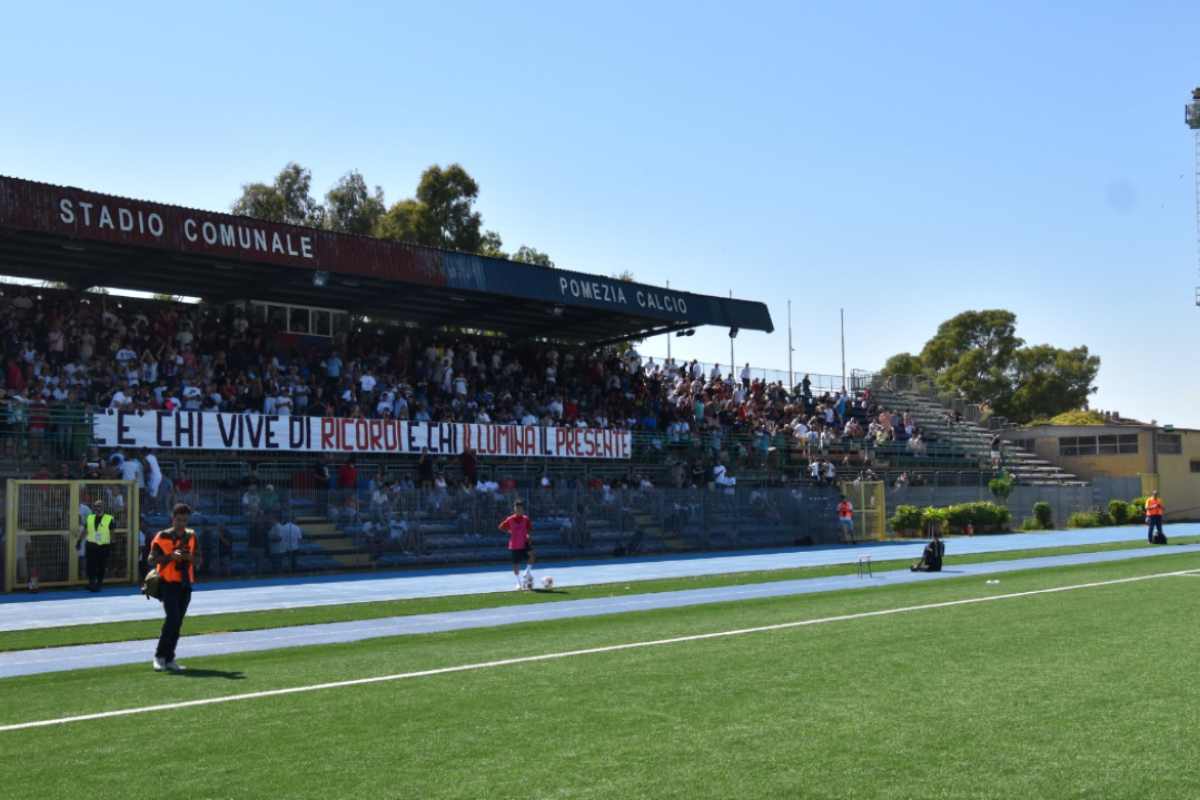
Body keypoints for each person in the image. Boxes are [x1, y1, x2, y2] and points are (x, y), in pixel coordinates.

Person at [149, 503, 198, 671]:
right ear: (173, 518)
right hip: (168, 583)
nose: (181, 524)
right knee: (173, 619)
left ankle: (169, 658)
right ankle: (159, 656)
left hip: (185, 584)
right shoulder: (162, 536)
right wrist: (171, 556)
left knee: (178, 622)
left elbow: (199, 561)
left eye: (185, 520)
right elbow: (151, 560)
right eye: (178, 520)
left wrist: (189, 557)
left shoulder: (191, 536)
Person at [78, 498, 115, 592]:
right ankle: (91, 583)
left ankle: (99, 583)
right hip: (91, 545)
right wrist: (79, 541)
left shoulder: (109, 518)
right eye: (96, 506)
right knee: (90, 565)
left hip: (103, 546)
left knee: (101, 566)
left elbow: (112, 532)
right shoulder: (90, 517)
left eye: (99, 506)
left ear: (103, 507)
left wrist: (112, 543)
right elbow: (85, 531)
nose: (97, 508)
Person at [498, 499, 535, 591]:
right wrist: (509, 531)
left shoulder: (526, 519)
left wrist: (528, 535)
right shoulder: (510, 519)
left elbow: (529, 529)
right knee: (515, 564)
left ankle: (527, 572)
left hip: (525, 542)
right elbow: (501, 527)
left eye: (520, 508)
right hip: (514, 544)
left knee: (532, 556)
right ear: (514, 509)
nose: (519, 510)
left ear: (523, 509)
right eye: (517, 508)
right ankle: (518, 583)